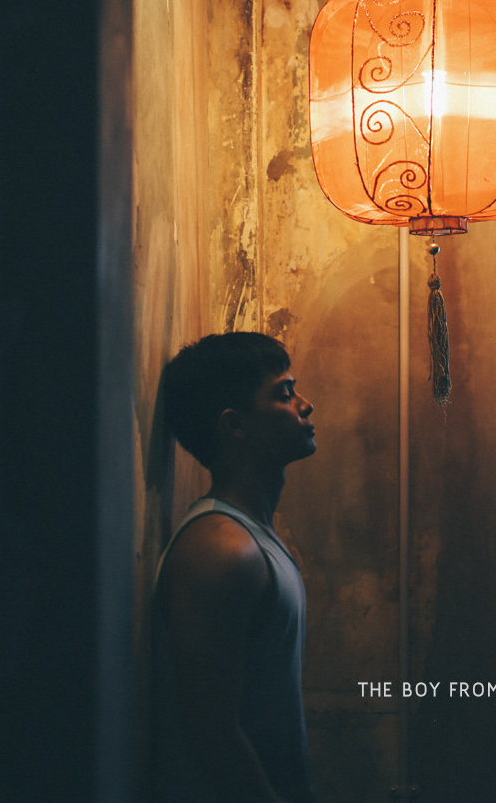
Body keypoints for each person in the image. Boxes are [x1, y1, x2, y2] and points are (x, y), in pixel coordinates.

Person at [153, 332, 318, 803]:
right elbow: (213, 733)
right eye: (284, 393)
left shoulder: (249, 538)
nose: (305, 404)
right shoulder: (222, 551)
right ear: (235, 425)